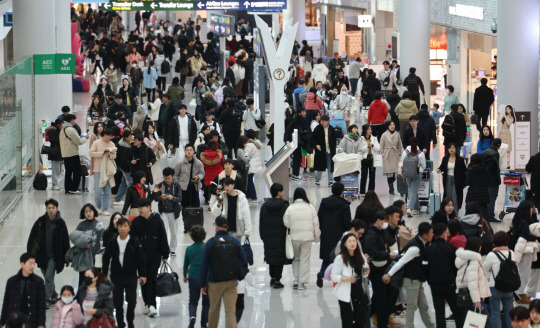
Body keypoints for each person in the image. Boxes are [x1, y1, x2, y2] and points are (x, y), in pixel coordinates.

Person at [383, 222, 435, 328]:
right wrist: (389, 274)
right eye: (431, 233)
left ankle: (430, 325)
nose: (432, 234)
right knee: (412, 306)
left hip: (417, 280)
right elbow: (402, 262)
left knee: (423, 306)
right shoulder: (415, 248)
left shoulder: (421, 243)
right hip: (411, 281)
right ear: (424, 235)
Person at [200, 216, 247, 328]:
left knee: (214, 310)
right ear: (227, 228)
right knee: (230, 311)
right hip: (231, 282)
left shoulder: (211, 243)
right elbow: (244, 260)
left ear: (216, 227)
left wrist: (203, 284)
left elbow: (204, 265)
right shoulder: (235, 242)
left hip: (215, 282)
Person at [102, 218, 147, 328]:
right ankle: (120, 323)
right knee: (117, 302)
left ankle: (130, 321)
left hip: (131, 276)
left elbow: (141, 259)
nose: (123, 229)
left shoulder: (134, 241)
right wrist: (104, 274)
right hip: (116, 276)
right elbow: (106, 258)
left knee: (131, 301)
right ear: (117, 227)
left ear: (129, 228)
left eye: (125, 226)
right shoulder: (112, 241)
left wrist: (143, 274)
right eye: (120, 226)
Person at [130, 198, 170, 317]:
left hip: (155, 255)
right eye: (138, 208)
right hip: (140, 256)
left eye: (141, 208)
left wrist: (165, 254)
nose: (140, 210)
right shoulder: (136, 222)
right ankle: (147, 304)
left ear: (148, 207)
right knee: (143, 279)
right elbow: (132, 238)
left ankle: (152, 305)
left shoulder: (157, 220)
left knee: (152, 279)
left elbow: (163, 237)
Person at [26, 199, 70, 308]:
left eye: (53, 208)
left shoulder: (61, 223)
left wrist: (67, 257)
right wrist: (30, 253)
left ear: (57, 209)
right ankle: (54, 294)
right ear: (46, 209)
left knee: (49, 277)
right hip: (42, 256)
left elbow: (65, 241)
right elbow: (32, 237)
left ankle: (46, 299)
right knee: (47, 276)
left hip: (55, 257)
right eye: (49, 208)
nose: (51, 210)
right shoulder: (40, 222)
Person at [424, 223, 464, 328]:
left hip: (435, 285)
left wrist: (430, 281)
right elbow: (456, 267)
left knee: (439, 313)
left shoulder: (429, 249)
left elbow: (426, 268)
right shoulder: (451, 248)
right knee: (457, 311)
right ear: (444, 234)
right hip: (450, 284)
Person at [363, 209, 397, 328]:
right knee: (381, 298)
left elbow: (388, 243)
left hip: (385, 267)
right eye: (384, 221)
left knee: (386, 295)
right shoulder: (371, 235)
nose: (386, 223)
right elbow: (372, 252)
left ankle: (370, 318)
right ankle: (381, 323)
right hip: (377, 270)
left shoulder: (382, 232)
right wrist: (388, 255)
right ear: (378, 221)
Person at [282, 188, 320, 290]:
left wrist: (293, 227)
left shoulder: (291, 208)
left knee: (296, 258)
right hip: (307, 238)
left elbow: (286, 222)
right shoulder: (310, 207)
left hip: (294, 237)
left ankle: (296, 279)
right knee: (305, 259)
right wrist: (317, 237)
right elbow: (315, 224)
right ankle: (302, 283)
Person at [316, 183, 352, 288]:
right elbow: (347, 223)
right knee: (340, 257)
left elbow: (319, 217)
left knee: (327, 257)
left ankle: (322, 273)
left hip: (326, 233)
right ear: (342, 192)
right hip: (339, 235)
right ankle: (341, 279)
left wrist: (323, 229)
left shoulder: (324, 202)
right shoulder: (344, 205)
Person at [331, 233, 370, 328]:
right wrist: (346, 279)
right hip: (346, 293)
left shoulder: (360, 255)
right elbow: (333, 276)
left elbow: (365, 271)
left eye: (354, 241)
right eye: (349, 241)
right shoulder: (340, 258)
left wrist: (367, 271)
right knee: (347, 321)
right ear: (344, 244)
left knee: (361, 320)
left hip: (360, 291)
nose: (352, 243)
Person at [0, 253, 46, 328]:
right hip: (14, 319)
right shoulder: (12, 281)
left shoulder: (38, 282)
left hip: (30, 320)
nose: (32, 266)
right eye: (30, 263)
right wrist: (2, 321)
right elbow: (6, 302)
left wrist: (41, 324)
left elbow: (41, 305)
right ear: (22, 264)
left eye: (34, 264)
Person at [455, 237, 492, 325]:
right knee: (487, 323)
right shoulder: (473, 261)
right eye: (480, 245)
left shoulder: (465, 259)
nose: (481, 247)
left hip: (468, 296)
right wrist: (477, 301)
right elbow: (472, 283)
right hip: (474, 297)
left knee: (473, 323)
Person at [259, 183, 290, 289]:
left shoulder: (265, 206)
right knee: (279, 258)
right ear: (278, 192)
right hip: (281, 236)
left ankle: (272, 277)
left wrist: (263, 236)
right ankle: (277, 280)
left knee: (271, 256)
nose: (283, 192)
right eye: (282, 190)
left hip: (268, 236)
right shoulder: (285, 206)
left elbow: (261, 222)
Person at [484, 231, 516, 328]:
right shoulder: (511, 253)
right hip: (509, 287)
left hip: (495, 287)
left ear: (494, 242)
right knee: (510, 313)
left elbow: (485, 270)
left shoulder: (491, 255)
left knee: (495, 314)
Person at [182, 225, 209, 328]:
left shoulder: (189, 249)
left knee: (193, 301)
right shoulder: (207, 247)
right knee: (206, 303)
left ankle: (192, 316)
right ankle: (203, 324)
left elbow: (185, 264)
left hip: (193, 277)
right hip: (205, 278)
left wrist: (185, 275)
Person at [512, 200, 538, 304]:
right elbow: (526, 235)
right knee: (524, 273)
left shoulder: (519, 219)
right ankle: (520, 294)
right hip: (525, 250)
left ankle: (520, 293)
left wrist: (535, 214)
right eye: (532, 208)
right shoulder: (523, 221)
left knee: (523, 272)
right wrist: (536, 237)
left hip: (522, 249)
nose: (533, 209)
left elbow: (535, 225)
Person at [152, 167, 182, 255]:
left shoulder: (177, 185)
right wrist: (160, 197)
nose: (167, 180)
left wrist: (173, 198)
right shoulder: (160, 185)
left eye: (168, 178)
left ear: (172, 176)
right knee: (163, 232)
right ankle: (163, 249)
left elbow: (180, 199)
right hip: (163, 212)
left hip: (174, 212)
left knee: (174, 232)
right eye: (165, 178)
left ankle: (173, 249)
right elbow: (156, 198)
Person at [89, 128, 116, 215]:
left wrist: (109, 155)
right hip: (98, 170)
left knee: (107, 191)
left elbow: (114, 156)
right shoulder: (96, 142)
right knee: (98, 191)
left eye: (112, 136)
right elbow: (91, 153)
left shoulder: (112, 144)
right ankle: (98, 207)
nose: (111, 138)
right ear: (105, 135)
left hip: (108, 171)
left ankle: (105, 209)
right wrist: (102, 153)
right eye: (110, 136)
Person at [59, 114, 89, 194]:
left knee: (68, 171)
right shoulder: (70, 130)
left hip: (65, 153)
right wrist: (85, 138)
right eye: (74, 120)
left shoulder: (62, 129)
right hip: (72, 153)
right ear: (71, 120)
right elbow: (78, 141)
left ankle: (67, 188)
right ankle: (73, 188)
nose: (74, 122)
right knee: (77, 171)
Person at [437, 143, 467, 211]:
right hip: (447, 178)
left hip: (457, 180)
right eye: (450, 148)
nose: (451, 149)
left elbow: (464, 171)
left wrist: (464, 183)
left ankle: (455, 212)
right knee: (448, 195)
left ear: (456, 149)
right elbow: (442, 167)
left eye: (453, 148)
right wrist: (439, 169)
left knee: (455, 195)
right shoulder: (445, 158)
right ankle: (447, 211)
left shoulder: (460, 159)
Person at [174, 144, 205, 209]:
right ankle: (184, 218)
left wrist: (198, 177)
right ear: (185, 151)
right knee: (184, 205)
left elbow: (202, 173)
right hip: (183, 187)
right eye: (187, 150)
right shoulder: (180, 163)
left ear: (194, 151)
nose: (189, 152)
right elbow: (175, 175)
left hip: (195, 186)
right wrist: (178, 185)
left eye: (190, 150)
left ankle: (195, 218)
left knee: (195, 205)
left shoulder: (199, 163)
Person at [401, 137, 426, 216]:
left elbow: (402, 163)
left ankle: (417, 207)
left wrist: (402, 173)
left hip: (407, 174)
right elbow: (424, 166)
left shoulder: (405, 152)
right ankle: (409, 208)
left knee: (411, 191)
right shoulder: (421, 153)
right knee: (414, 192)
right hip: (417, 174)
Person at [481, 138, 502, 222]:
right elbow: (492, 167)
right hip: (493, 180)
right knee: (492, 198)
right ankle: (490, 216)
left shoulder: (485, 152)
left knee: (487, 197)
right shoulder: (495, 154)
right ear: (499, 146)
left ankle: (486, 214)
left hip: (486, 180)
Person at [312, 115, 336, 186]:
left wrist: (333, 148)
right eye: (321, 121)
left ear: (328, 121)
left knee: (330, 166)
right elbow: (312, 138)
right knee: (320, 166)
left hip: (330, 150)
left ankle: (331, 180)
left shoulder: (331, 128)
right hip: (321, 150)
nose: (322, 122)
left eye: (324, 121)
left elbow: (334, 139)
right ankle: (317, 180)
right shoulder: (318, 128)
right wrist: (316, 145)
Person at [465, 154, 491, 219]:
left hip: (473, 195)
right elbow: (489, 181)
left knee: (471, 213)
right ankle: (486, 227)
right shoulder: (485, 169)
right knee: (484, 214)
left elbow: (467, 182)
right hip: (484, 194)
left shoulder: (470, 170)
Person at [380, 121, 402, 195]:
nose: (392, 126)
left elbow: (399, 144)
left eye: (393, 125)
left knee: (396, 172)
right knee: (389, 172)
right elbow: (381, 145)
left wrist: (399, 152)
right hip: (387, 154)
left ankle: (392, 183)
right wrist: (382, 153)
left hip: (395, 154)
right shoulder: (384, 135)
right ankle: (391, 187)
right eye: (390, 125)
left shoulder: (397, 134)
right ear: (388, 126)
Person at [201, 140, 225, 206]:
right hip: (219, 174)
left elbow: (204, 165)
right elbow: (223, 162)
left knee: (210, 190)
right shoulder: (219, 154)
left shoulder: (204, 155)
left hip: (209, 174)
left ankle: (210, 203)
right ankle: (219, 203)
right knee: (219, 189)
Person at [359, 124, 380, 194]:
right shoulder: (361, 139)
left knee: (372, 176)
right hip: (364, 159)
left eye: (370, 129)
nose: (370, 131)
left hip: (372, 159)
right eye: (368, 129)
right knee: (364, 176)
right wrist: (367, 146)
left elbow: (378, 148)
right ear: (365, 130)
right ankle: (362, 192)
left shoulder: (374, 138)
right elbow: (360, 150)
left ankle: (371, 192)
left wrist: (372, 145)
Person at [243, 130, 263, 201]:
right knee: (249, 179)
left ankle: (254, 196)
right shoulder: (256, 142)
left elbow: (246, 155)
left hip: (250, 165)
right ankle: (248, 195)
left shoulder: (249, 145)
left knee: (249, 180)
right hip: (255, 164)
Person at [46, 119, 64, 191]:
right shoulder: (52, 131)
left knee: (59, 169)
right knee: (55, 169)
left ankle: (57, 183)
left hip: (60, 152)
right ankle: (54, 184)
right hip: (55, 152)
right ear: (58, 124)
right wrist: (61, 135)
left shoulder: (58, 131)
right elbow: (54, 141)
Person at [526, 145, 540, 210]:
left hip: (536, 183)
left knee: (536, 198)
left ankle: (537, 214)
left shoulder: (534, 158)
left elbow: (528, 169)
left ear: (539, 148)